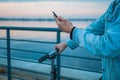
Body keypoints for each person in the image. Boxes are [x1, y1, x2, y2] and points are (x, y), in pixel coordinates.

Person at [54, 0, 120, 80]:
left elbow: (108, 46)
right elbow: (93, 28)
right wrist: (66, 43)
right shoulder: (115, 5)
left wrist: (72, 30)